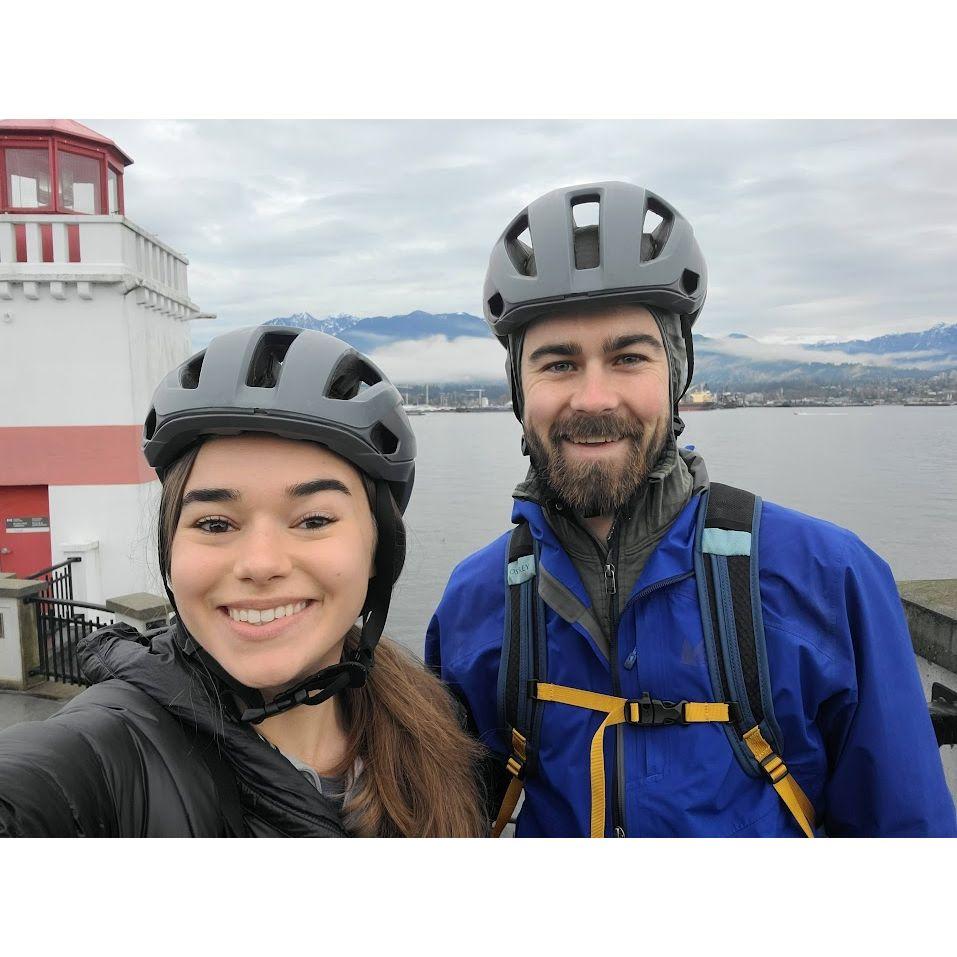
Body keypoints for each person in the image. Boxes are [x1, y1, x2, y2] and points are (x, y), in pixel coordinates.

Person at [426, 180, 957, 837]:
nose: (593, 397)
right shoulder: (474, 605)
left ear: (676, 373)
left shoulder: (825, 578)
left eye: (627, 357)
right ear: (518, 388)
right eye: (558, 363)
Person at [0, 325, 486, 837]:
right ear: (171, 554)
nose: (260, 563)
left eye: (314, 520)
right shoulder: (109, 754)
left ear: (377, 551)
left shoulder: (430, 720)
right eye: (214, 524)